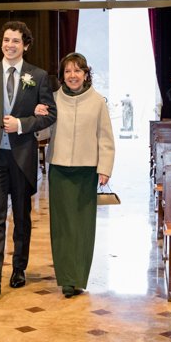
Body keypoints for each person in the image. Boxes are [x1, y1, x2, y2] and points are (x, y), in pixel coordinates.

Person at [0, 21, 56, 300]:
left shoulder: (38, 76)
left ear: (25, 45)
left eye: (16, 41)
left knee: (21, 217)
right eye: (6, 40)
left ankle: (18, 269)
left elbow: (49, 115)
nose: (10, 45)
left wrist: (21, 123)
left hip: (22, 156)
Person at [40, 53, 114, 298]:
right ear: (62, 76)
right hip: (60, 169)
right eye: (68, 71)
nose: (72, 75)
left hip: (86, 171)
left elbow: (105, 138)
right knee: (62, 225)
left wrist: (105, 167)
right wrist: (36, 117)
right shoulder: (52, 101)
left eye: (77, 71)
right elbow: (40, 136)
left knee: (82, 225)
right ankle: (66, 279)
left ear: (85, 74)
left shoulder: (97, 102)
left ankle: (78, 276)